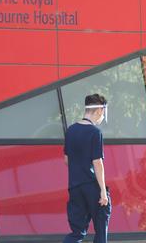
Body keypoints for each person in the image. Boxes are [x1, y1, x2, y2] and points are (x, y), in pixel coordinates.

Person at [63, 94, 111, 243]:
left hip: (75, 186)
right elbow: (97, 163)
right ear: (99, 111)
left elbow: (67, 159)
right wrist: (103, 191)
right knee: (101, 225)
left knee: (77, 232)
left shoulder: (70, 130)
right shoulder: (95, 132)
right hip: (91, 186)